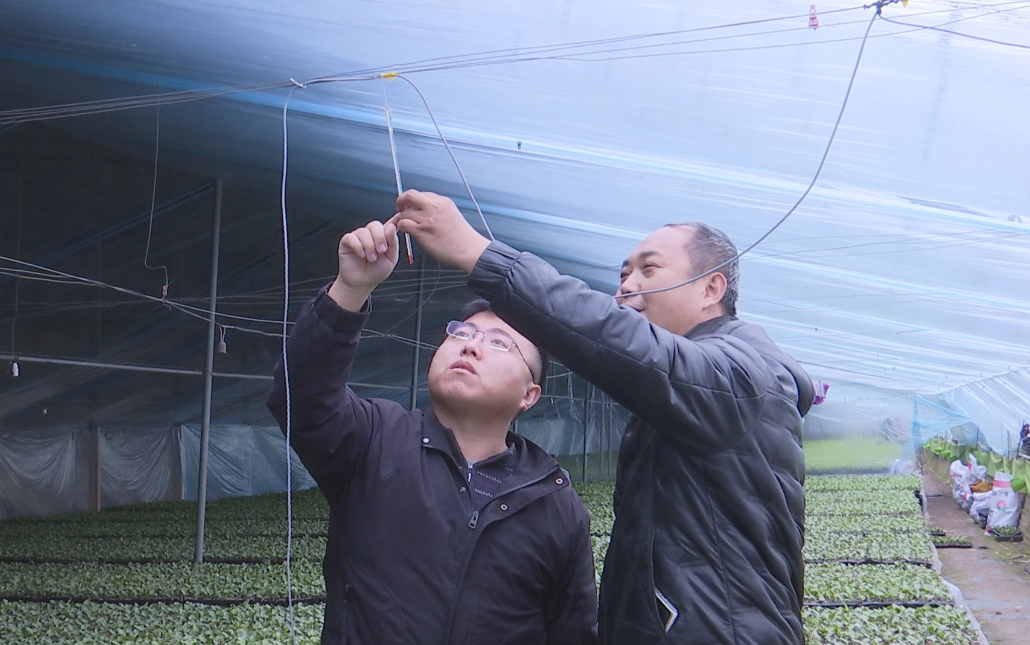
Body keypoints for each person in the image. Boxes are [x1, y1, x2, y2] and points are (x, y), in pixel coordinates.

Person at [391, 191, 815, 645]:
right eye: (624, 274)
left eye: (649, 269)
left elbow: (615, 336)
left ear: (711, 288)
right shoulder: (687, 393)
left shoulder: (742, 375)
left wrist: (477, 254)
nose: (627, 286)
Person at [266, 220, 598, 645]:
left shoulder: (554, 504)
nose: (470, 345)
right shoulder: (376, 440)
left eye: (499, 343)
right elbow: (302, 398)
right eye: (462, 332)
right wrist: (350, 289)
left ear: (528, 395)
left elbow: (573, 630)